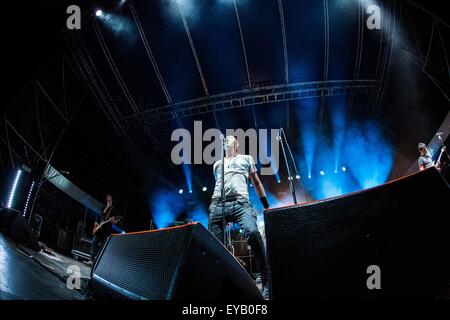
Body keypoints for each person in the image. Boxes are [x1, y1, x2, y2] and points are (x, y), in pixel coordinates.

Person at [208, 136, 270, 299]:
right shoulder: (217, 164)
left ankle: (267, 281)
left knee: (252, 232)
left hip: (240, 202)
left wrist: (266, 205)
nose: (227, 140)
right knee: (214, 246)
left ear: (236, 144)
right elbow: (220, 185)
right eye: (225, 139)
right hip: (218, 204)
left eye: (230, 139)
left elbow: (256, 183)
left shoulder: (246, 158)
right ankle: (222, 285)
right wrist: (224, 217)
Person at [91, 194, 120, 263]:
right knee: (94, 242)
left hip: (106, 230)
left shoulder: (114, 209)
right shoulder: (104, 207)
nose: (108, 199)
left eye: (109, 197)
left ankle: (98, 261)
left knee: (102, 246)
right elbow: (101, 215)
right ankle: (91, 260)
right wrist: (96, 224)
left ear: (112, 199)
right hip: (99, 228)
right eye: (107, 198)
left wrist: (113, 221)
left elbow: (116, 220)